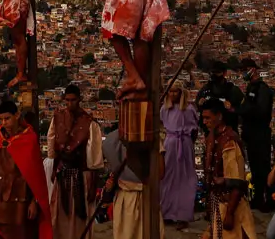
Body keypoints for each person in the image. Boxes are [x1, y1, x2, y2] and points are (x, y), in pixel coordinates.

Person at [0, 101, 51, 239]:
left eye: (7, 118)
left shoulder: (29, 139)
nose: (4, 123)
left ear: (17, 115)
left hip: (19, 199)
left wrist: (34, 201)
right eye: (1, 119)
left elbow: (36, 175)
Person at [47, 86, 103, 239]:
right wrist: (53, 171)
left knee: (80, 218)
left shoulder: (90, 123)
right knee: (60, 217)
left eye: (73, 100)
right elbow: (53, 149)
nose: (70, 103)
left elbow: (95, 159)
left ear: (79, 100)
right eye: (67, 100)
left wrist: (93, 186)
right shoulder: (57, 118)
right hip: (62, 173)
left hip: (82, 175)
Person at [198, 100, 255, 239]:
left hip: (231, 204)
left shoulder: (229, 141)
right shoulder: (213, 136)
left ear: (219, 116)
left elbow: (236, 180)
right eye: (203, 118)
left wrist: (229, 213)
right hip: (218, 204)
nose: (204, 122)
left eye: (208, 118)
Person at [101, 128, 165, 239]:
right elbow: (160, 173)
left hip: (124, 199)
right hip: (145, 198)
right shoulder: (151, 136)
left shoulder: (111, 139)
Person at [235, 59, 273, 213]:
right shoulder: (252, 87)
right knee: (255, 169)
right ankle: (258, 199)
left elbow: (261, 111)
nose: (242, 73)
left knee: (263, 168)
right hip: (251, 133)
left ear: (252, 70)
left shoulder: (262, 89)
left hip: (260, 133)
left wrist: (244, 110)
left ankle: (267, 200)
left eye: (244, 69)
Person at [160, 83, 198, 229]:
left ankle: (183, 216)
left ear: (181, 93)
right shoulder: (164, 109)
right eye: (171, 91)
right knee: (167, 178)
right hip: (170, 145)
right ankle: (167, 213)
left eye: (176, 91)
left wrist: (187, 142)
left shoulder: (189, 109)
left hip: (184, 145)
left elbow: (194, 130)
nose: (173, 94)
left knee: (185, 179)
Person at [196, 62, 244, 133]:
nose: (214, 75)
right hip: (210, 132)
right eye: (212, 72)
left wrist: (231, 109)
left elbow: (243, 110)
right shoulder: (204, 91)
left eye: (217, 72)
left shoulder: (233, 90)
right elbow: (199, 110)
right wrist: (199, 104)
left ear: (224, 73)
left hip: (229, 131)